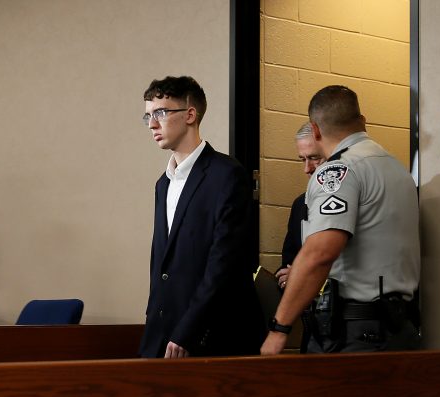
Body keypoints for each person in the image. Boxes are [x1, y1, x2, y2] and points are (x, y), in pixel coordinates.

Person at [261, 85, 420, 355]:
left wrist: (279, 329)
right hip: (398, 327)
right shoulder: (396, 168)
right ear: (362, 121)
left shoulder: (339, 170)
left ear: (316, 130)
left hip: (355, 334)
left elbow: (320, 253)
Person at [139, 75, 265, 358]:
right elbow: (162, 264)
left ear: (190, 115)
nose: (152, 124)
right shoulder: (163, 183)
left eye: (160, 113)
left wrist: (189, 330)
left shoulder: (227, 175)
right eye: (148, 116)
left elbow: (224, 263)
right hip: (164, 334)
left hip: (212, 334)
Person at [274, 122, 325, 353]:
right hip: (310, 325)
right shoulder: (300, 205)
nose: (307, 168)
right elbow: (287, 264)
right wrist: (286, 278)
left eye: (314, 158)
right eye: (302, 160)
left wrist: (300, 274)